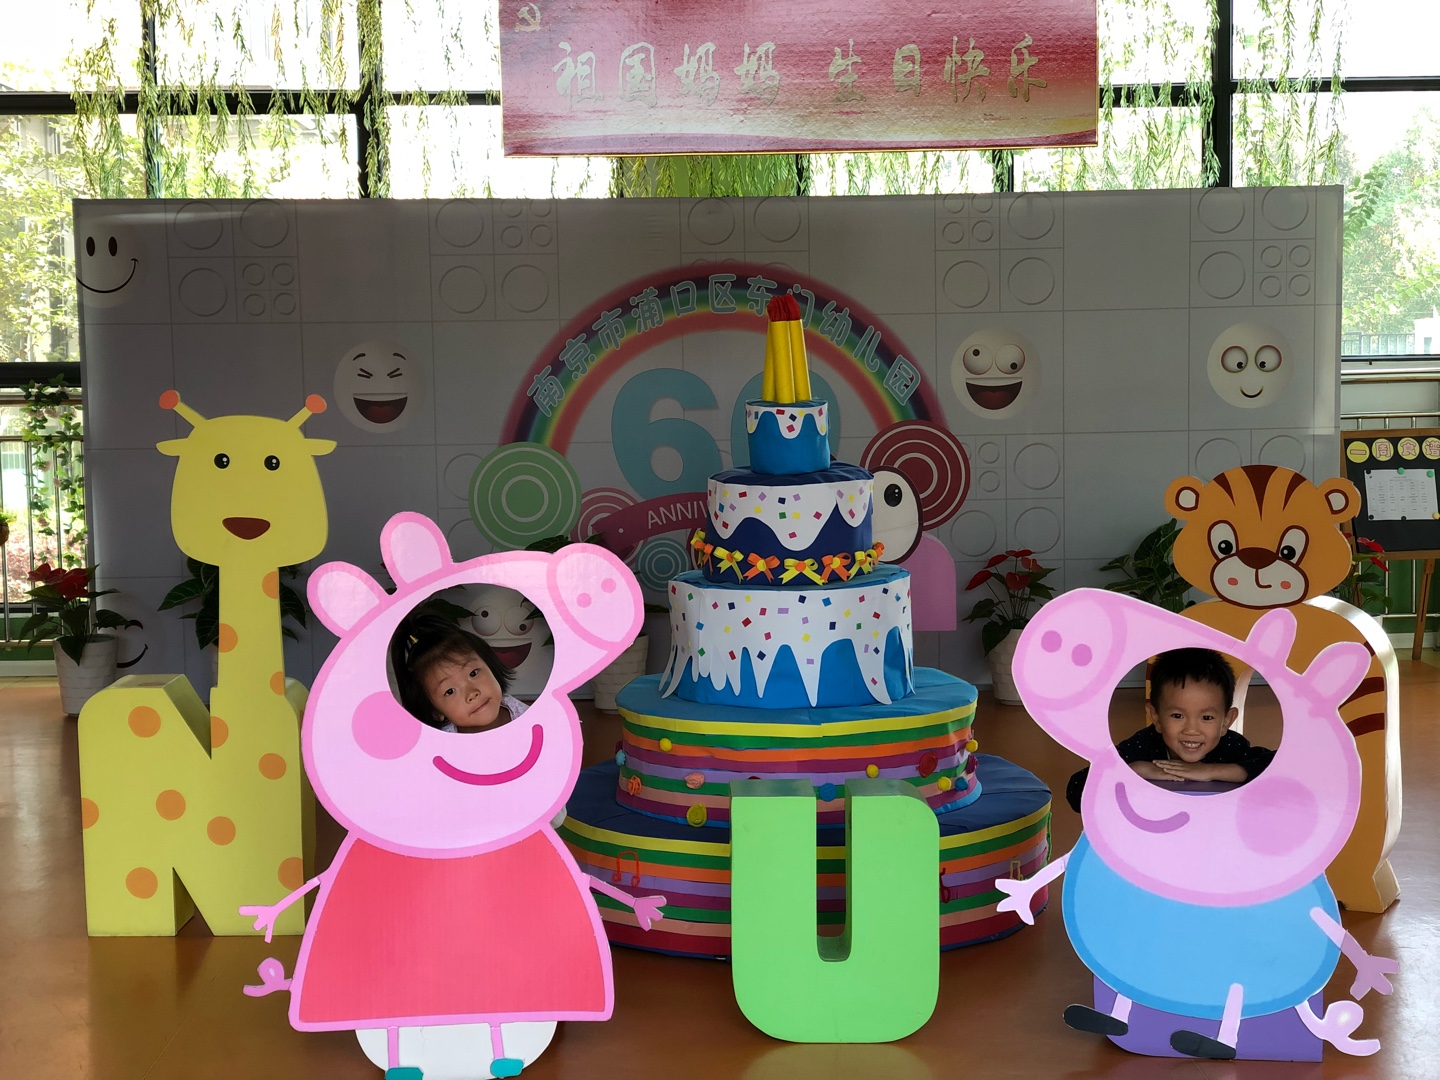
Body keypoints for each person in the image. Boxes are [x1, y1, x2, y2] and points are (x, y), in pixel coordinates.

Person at [1065, 647, 1275, 813]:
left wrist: (1210, 771)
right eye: (1177, 716)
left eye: (1207, 718)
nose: (1191, 730)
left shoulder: (1230, 746)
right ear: (1155, 717)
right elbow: (1077, 789)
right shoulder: (1144, 745)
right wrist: (1134, 770)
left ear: (1226, 721)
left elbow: (1279, 768)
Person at [390, 612, 522, 732]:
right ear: (435, 711)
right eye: (450, 691)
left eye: (473, 673)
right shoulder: (441, 744)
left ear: (491, 666)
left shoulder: (524, 715)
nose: (472, 693)